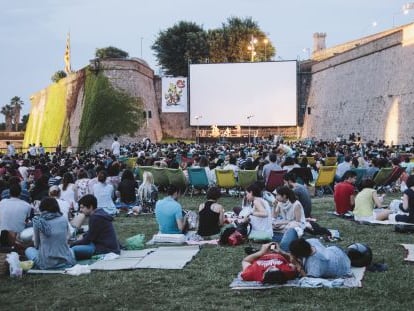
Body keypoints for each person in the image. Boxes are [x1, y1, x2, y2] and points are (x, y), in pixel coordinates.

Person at [25, 198, 76, 270]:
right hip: (65, 261)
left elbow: (36, 245)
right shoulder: (63, 219)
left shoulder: (38, 221)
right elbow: (68, 237)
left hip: (46, 264)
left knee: (29, 250)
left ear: (41, 208)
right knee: (71, 250)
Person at [70, 194, 120, 260]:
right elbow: (92, 232)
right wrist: (83, 236)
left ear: (90, 207)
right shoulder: (99, 214)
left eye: (82, 207)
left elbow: (88, 239)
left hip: (105, 249)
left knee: (73, 249)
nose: (81, 210)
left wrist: (73, 244)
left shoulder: (95, 218)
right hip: (108, 246)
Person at [272, 186, 306, 251]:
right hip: (285, 224)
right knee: (272, 225)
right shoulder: (280, 203)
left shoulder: (296, 204)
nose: (276, 197)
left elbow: (297, 221)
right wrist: (274, 206)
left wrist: (281, 223)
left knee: (291, 227)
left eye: (278, 195)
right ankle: (273, 247)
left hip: (296, 225)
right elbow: (274, 216)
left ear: (284, 196)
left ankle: (280, 246)